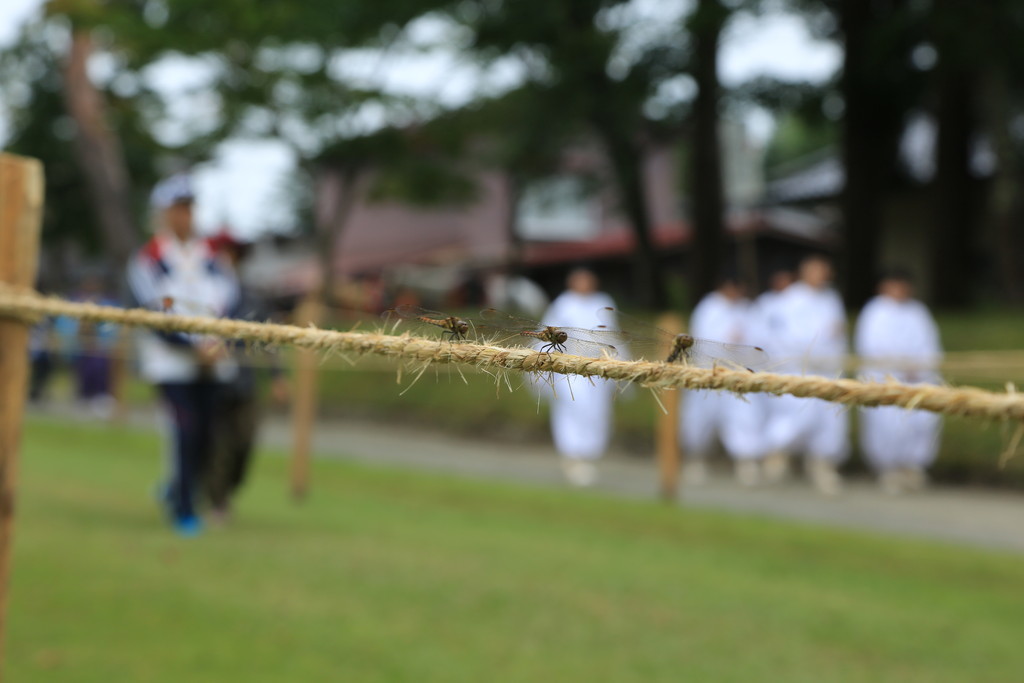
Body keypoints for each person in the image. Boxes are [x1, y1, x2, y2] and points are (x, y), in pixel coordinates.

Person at [127, 173, 240, 536]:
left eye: (189, 207)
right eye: (177, 208)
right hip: (170, 363)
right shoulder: (150, 258)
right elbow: (154, 314)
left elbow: (229, 300)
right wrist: (192, 347)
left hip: (212, 362)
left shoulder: (210, 256)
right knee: (184, 432)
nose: (184, 215)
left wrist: (217, 341)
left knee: (207, 435)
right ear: (163, 212)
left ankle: (178, 489)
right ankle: (184, 510)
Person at [204, 231, 289, 522]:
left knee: (244, 443)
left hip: (245, 382)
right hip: (211, 383)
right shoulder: (203, 295)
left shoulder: (252, 298)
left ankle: (228, 489)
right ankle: (216, 500)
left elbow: (268, 339)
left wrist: (278, 377)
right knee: (216, 445)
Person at [763, 255, 849, 494]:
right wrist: (810, 352)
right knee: (797, 415)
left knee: (828, 420)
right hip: (798, 369)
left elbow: (838, 334)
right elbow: (783, 336)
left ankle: (822, 463)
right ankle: (777, 456)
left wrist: (831, 352)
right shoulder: (790, 299)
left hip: (827, 370)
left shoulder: (832, 299)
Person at [855, 269, 942, 493]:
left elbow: (930, 345)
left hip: (917, 379)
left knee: (922, 422)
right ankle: (888, 468)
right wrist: (897, 367)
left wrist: (920, 366)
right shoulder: (875, 311)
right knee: (887, 423)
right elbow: (871, 347)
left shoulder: (918, 312)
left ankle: (912, 466)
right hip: (885, 379)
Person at [680, 275, 765, 486]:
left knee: (744, 417)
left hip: (738, 374)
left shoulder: (748, 309)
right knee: (701, 419)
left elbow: (761, 339)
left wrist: (743, 340)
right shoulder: (709, 307)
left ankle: (746, 462)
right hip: (709, 372)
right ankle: (696, 459)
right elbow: (700, 339)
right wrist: (727, 340)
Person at [540, 267, 617, 487]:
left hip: (598, 367)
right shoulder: (563, 304)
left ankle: (590, 455)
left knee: (597, 410)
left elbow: (613, 336)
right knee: (573, 406)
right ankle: (572, 456)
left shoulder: (604, 301)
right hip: (569, 368)